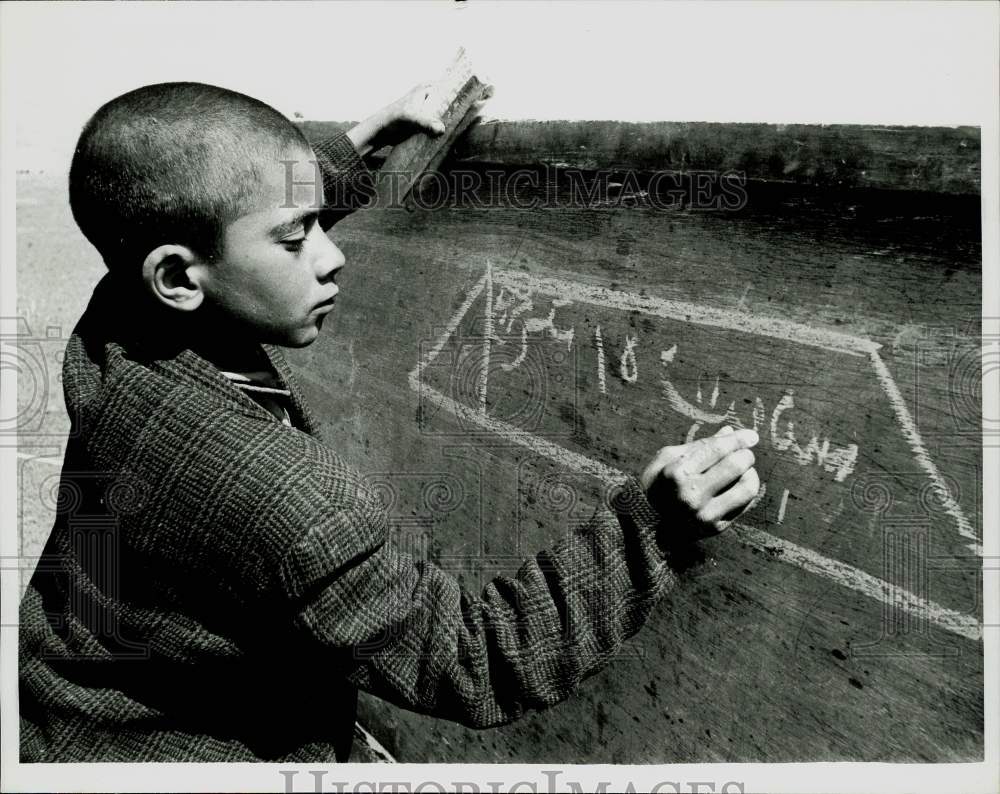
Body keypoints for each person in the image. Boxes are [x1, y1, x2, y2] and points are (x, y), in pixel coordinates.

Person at [18, 81, 760, 762]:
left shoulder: (114, 327)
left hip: (71, 718)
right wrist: (651, 528)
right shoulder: (297, 505)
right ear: (178, 277)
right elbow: (478, 662)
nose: (333, 255)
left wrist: (349, 151)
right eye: (296, 234)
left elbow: (216, 220)